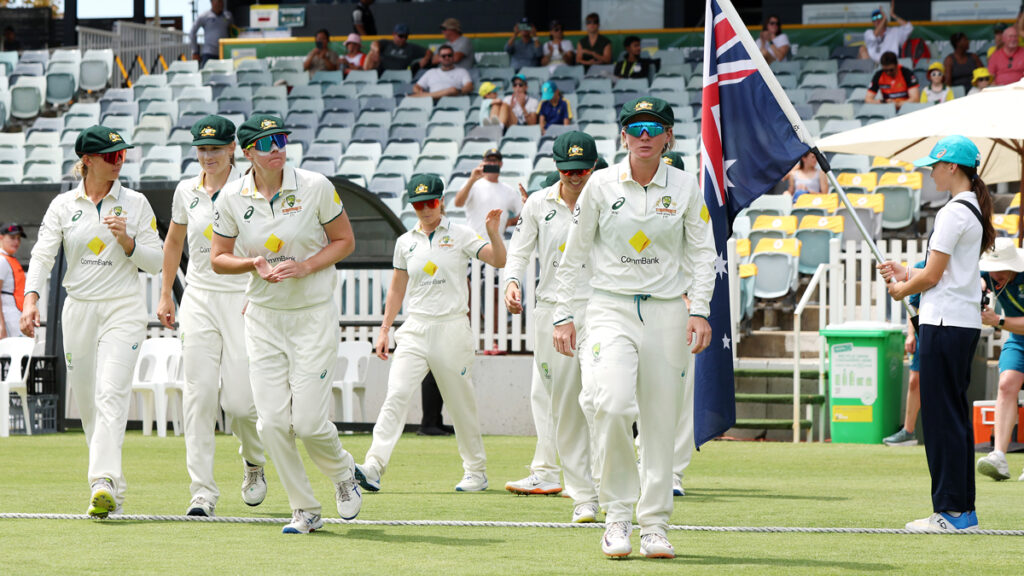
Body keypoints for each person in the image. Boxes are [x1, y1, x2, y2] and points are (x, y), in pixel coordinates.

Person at [552, 97, 715, 558]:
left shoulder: (685, 186)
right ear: (623, 135)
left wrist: (699, 309)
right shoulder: (600, 185)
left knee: (661, 422)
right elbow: (574, 254)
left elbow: (703, 254)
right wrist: (564, 314)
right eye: (636, 127)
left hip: (666, 311)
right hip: (610, 307)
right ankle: (618, 515)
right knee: (613, 404)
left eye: (654, 127)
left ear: (668, 137)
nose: (645, 135)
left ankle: (655, 525)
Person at [210, 115, 362, 534]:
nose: (277, 147)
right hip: (262, 319)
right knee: (272, 423)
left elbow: (345, 240)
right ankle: (304, 508)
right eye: (266, 141)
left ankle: (344, 473)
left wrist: (306, 266)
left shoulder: (315, 186)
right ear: (248, 152)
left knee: (310, 424)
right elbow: (218, 258)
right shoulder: (230, 197)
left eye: (281, 139)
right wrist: (252, 264)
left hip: (312, 316)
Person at [21, 125, 162, 517]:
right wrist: (30, 300)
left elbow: (155, 260)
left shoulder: (135, 203)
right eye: (111, 156)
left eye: (122, 155)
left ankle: (101, 480)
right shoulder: (63, 206)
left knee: (110, 394)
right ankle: (113, 486)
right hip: (79, 308)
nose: (120, 161)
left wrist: (129, 242)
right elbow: (43, 256)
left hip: (123, 307)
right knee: (88, 403)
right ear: (87, 161)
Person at [355, 174, 507, 493]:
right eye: (418, 204)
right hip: (415, 329)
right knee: (396, 394)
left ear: (441, 201)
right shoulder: (405, 242)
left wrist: (494, 234)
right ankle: (373, 466)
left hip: (452, 327)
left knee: (460, 401)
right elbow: (397, 288)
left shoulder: (463, 234)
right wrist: (385, 329)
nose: (425, 209)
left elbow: (498, 260)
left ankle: (476, 471)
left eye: (430, 202)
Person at [879, 135, 996, 532]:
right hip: (959, 324)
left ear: (953, 167)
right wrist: (905, 271)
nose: (931, 171)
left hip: (944, 324)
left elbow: (932, 276)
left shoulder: (953, 212)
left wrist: (901, 287)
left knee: (943, 419)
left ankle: (949, 512)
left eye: (936, 165)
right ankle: (962, 511)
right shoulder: (972, 209)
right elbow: (943, 274)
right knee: (954, 416)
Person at [157, 115, 266, 518]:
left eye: (216, 149)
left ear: (232, 148)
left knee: (239, 403)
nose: (208, 156)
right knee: (199, 397)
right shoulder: (187, 190)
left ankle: (253, 461)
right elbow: (173, 242)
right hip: (199, 298)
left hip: (241, 297)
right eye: (202, 149)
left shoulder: (250, 187)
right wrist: (167, 293)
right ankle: (202, 492)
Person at [503, 132, 600, 522]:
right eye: (567, 170)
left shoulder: (606, 199)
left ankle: (596, 479)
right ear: (556, 167)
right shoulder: (539, 203)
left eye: (582, 170)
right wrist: (512, 281)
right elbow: (520, 249)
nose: (575, 177)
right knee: (552, 395)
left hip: (596, 307)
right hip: (549, 309)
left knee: (596, 394)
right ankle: (555, 476)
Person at [975, 239, 1024, 481]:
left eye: (1001, 269)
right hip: (1018, 340)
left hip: (1015, 328)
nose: (996, 275)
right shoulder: (990, 275)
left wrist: (998, 321)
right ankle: (999, 457)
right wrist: (980, 290)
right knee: (1006, 385)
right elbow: (980, 282)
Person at [883, 259, 926, 447]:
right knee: (914, 380)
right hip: (923, 330)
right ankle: (908, 431)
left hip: (947, 330)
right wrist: (911, 335)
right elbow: (913, 307)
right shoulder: (921, 265)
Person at [455, 148, 521, 236]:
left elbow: (523, 213)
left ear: (500, 164)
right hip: (474, 241)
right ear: (483, 162)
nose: (492, 163)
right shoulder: (472, 184)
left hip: (497, 243)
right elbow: (458, 203)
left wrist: (510, 222)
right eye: (489, 160)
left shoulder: (508, 190)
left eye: (495, 160)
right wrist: (472, 179)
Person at [364, 23, 432, 73]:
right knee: (371, 53)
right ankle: (367, 75)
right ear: (394, 34)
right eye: (401, 36)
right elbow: (374, 43)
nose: (403, 39)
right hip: (382, 73)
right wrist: (376, 51)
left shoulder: (411, 47)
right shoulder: (386, 43)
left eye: (406, 36)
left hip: (401, 74)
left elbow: (429, 52)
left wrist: (425, 59)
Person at [0, 223, 26, 339]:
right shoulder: (2, 260)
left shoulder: (10, 259)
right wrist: (1, 325)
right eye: (12, 238)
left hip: (14, 315)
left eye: (18, 238)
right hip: (8, 317)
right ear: (1, 237)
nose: (16, 242)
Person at [191, 0, 234, 67]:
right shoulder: (204, 16)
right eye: (219, 1)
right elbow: (192, 32)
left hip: (225, 53)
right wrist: (195, 52)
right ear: (212, 2)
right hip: (208, 54)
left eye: (222, 1)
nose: (221, 3)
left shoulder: (228, 16)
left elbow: (234, 32)